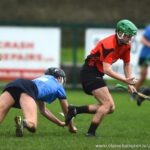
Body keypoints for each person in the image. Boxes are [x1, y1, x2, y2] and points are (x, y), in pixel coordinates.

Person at [65, 19, 138, 137]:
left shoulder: (126, 45)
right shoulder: (109, 44)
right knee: (107, 104)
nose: (130, 39)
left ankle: (75, 110)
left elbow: (126, 64)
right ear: (120, 33)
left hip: (96, 74)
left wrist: (130, 83)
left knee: (111, 108)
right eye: (128, 36)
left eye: (131, 37)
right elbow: (107, 69)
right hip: (89, 73)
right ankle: (90, 133)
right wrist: (125, 80)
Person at [0, 67, 77, 137]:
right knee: (32, 125)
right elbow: (67, 111)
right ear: (60, 78)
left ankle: (23, 123)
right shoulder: (58, 86)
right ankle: (24, 122)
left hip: (14, 84)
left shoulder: (40, 79)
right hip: (28, 89)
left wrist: (59, 123)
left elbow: (43, 110)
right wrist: (71, 127)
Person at [135, 25, 150, 91]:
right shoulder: (149, 28)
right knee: (143, 77)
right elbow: (142, 40)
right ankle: (134, 92)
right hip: (145, 56)